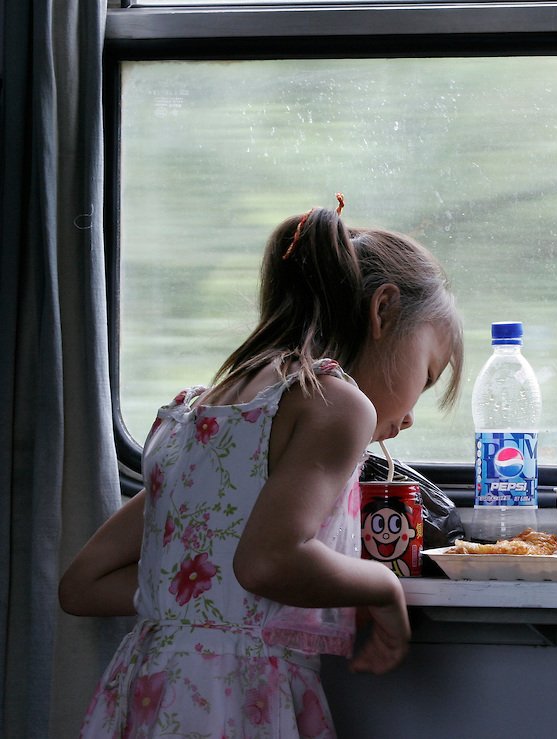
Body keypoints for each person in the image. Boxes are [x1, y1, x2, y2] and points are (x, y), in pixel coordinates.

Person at [59, 195, 464, 738]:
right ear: (382, 311)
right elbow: (268, 562)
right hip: (234, 698)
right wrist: (380, 586)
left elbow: (84, 583)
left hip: (148, 692)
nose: (411, 414)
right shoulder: (337, 404)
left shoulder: (198, 413)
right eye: (428, 375)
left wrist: (204, 606)